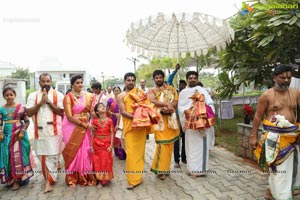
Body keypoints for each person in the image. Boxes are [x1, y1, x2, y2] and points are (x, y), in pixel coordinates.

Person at [249, 64, 300, 200]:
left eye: (289, 77)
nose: (286, 80)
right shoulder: (266, 96)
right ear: (274, 78)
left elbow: (299, 114)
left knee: (290, 169)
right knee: (278, 170)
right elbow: (258, 117)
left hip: (292, 137)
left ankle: (273, 193)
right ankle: (281, 196)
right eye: (282, 77)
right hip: (273, 138)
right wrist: (253, 136)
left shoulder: (295, 93)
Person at [26, 73, 64, 193]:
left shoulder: (58, 95)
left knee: (53, 157)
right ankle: (48, 180)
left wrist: (48, 102)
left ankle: (50, 179)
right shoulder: (33, 96)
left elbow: (61, 112)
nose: (46, 84)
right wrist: (40, 103)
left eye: (48, 81)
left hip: (55, 132)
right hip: (40, 132)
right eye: (43, 81)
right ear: (39, 82)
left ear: (51, 82)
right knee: (42, 157)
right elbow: (29, 113)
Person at [117, 72, 153, 189]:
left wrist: (144, 117)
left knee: (139, 153)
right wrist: (137, 118)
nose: (131, 82)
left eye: (133, 80)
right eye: (128, 80)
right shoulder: (121, 96)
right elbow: (122, 112)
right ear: (125, 81)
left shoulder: (141, 93)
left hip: (141, 128)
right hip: (130, 127)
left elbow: (148, 107)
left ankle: (138, 178)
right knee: (131, 153)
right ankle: (132, 180)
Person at [178, 71, 215, 179]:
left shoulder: (202, 90)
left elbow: (210, 103)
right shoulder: (183, 93)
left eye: (194, 78)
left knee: (202, 147)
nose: (192, 79)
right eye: (190, 78)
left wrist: (203, 112)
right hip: (190, 124)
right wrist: (192, 112)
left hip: (203, 124)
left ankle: (201, 170)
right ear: (187, 79)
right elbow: (181, 108)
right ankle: (192, 169)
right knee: (191, 147)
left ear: (197, 79)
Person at [62, 74, 96, 188]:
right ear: (72, 85)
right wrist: (85, 125)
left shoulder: (89, 96)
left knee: (85, 151)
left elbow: (91, 112)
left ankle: (84, 176)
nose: (80, 84)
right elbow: (70, 117)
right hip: (71, 126)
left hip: (85, 125)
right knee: (73, 152)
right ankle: (72, 178)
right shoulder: (68, 97)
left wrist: (101, 118)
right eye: (77, 83)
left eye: (81, 82)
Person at [148, 70, 180, 180]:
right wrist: (167, 105)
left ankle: (165, 168)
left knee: (169, 145)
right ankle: (160, 170)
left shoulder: (170, 89)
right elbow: (152, 101)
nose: (158, 79)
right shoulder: (151, 90)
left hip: (171, 121)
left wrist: (170, 109)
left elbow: (176, 101)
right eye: (156, 77)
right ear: (154, 79)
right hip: (159, 121)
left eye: (160, 77)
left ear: (163, 78)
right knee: (162, 145)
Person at [0, 87, 33, 191]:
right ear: (4, 97)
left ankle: (18, 180)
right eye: (7, 95)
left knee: (19, 156)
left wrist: (23, 131)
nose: (9, 97)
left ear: (15, 95)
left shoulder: (21, 107)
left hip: (19, 135)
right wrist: (0, 133)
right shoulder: (1, 109)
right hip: (7, 135)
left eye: (11, 94)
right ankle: (11, 178)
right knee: (8, 156)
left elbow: (27, 121)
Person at [91, 103, 114, 188]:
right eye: (100, 107)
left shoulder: (110, 121)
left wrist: (111, 145)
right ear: (97, 111)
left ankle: (106, 178)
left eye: (103, 106)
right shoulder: (94, 121)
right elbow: (92, 134)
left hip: (107, 144)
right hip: (97, 144)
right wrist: (91, 146)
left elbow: (112, 133)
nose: (103, 107)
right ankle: (99, 180)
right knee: (98, 162)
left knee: (107, 161)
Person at [107, 86, 126, 160]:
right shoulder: (110, 100)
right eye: (115, 91)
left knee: (121, 134)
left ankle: (123, 153)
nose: (116, 92)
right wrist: (114, 114)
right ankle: (117, 152)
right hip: (113, 119)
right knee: (115, 135)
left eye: (118, 91)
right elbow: (107, 111)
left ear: (120, 91)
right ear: (113, 91)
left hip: (122, 119)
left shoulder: (123, 99)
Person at [174, 79, 187, 168]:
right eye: (180, 85)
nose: (181, 86)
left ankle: (184, 158)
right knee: (176, 142)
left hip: (185, 121)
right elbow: (170, 81)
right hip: (176, 121)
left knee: (185, 141)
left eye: (183, 85)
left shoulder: (187, 95)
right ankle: (176, 161)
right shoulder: (175, 94)